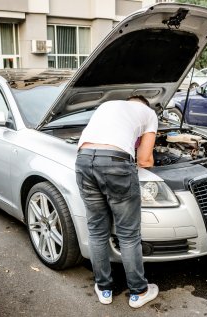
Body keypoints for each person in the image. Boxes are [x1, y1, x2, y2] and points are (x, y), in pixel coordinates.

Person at [75, 95, 159, 308]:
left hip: (83, 160)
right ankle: (138, 292)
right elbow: (144, 160)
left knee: (96, 230)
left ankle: (104, 289)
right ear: (145, 105)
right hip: (116, 163)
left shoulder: (107, 104)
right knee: (128, 235)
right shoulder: (149, 114)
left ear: (129, 101)